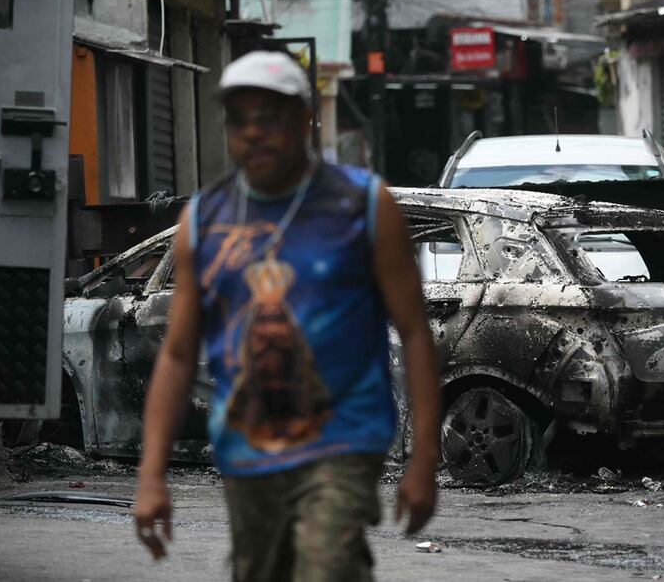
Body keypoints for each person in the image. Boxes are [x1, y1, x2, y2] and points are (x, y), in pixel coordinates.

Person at [133, 50, 441, 581]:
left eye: (269, 118)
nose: (252, 133)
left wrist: (424, 459)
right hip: (246, 446)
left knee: (326, 564)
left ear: (305, 120)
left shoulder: (362, 205)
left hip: (343, 438)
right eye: (239, 120)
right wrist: (151, 474)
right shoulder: (204, 221)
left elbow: (414, 331)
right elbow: (179, 354)